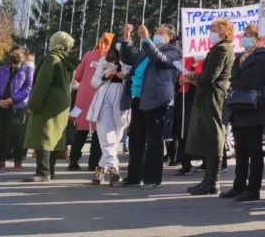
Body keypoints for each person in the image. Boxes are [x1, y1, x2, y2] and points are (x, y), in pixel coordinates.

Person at [219, 23, 265, 202]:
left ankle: (253, 189)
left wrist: (261, 98)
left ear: (260, 38)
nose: (246, 38)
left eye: (250, 34)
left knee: (254, 151)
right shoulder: (239, 57)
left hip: (253, 108)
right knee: (241, 150)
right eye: (244, 34)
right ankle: (238, 185)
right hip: (238, 108)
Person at [119, 23, 182, 189]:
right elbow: (129, 58)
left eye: (162, 33)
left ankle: (152, 178)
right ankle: (134, 176)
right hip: (138, 98)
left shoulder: (173, 51)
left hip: (157, 100)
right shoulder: (146, 50)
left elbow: (160, 61)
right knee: (136, 139)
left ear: (170, 37)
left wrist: (146, 40)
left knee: (154, 140)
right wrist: (127, 40)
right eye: (156, 32)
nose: (157, 34)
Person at [182, 19, 235, 196]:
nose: (211, 32)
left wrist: (191, 75)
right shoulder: (220, 48)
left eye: (215, 29)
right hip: (209, 95)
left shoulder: (221, 49)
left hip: (213, 96)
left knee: (213, 135)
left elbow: (210, 76)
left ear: (224, 31)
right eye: (211, 28)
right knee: (209, 134)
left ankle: (213, 181)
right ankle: (208, 179)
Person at [22, 32, 77, 182]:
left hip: (48, 103)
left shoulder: (52, 58)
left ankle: (42, 172)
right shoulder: (68, 61)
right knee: (54, 137)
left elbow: (42, 84)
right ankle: (50, 171)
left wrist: (33, 105)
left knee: (43, 136)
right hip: (62, 104)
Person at [87, 42, 130, 185]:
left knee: (116, 136)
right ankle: (113, 170)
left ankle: (101, 168)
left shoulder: (130, 60)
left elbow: (135, 79)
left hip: (122, 98)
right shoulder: (104, 60)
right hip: (104, 97)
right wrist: (106, 75)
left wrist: (126, 76)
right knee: (106, 135)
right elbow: (94, 82)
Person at [70, 33, 113, 171]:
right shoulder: (113, 56)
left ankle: (73, 161)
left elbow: (77, 76)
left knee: (81, 129)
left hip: (83, 98)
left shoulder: (88, 54)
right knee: (98, 131)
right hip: (101, 97)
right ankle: (93, 163)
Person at [0, 45, 33, 170]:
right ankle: (1, 160)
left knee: (16, 135)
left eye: (18, 54)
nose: (15, 56)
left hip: (17, 107)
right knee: (1, 134)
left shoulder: (27, 70)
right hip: (0, 106)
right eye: (13, 53)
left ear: (24, 57)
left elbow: (27, 88)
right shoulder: (2, 69)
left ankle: (17, 161)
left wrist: (12, 100)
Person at [174, 55, 204, 176]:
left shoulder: (206, 62)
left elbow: (205, 80)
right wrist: (181, 80)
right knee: (183, 131)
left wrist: (190, 80)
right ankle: (185, 164)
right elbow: (179, 78)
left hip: (199, 100)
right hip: (184, 99)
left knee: (199, 131)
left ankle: (206, 162)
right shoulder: (187, 60)